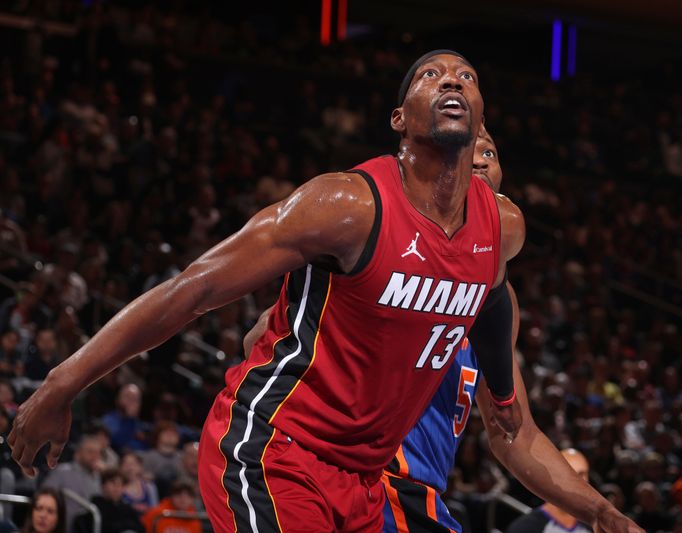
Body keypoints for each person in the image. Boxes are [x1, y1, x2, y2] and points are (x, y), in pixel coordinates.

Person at [12, 49, 524, 532]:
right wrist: (62, 384)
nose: (453, 78)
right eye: (430, 75)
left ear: (480, 122)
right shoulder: (346, 205)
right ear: (398, 120)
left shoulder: (500, 226)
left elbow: (494, 303)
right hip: (274, 449)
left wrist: (501, 390)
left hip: (362, 480)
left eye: (467, 76)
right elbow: (193, 289)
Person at [241, 128, 643, 533]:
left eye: (491, 152)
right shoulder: (384, 245)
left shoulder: (498, 300)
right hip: (361, 480)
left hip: (419, 497)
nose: (481, 159)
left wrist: (602, 513)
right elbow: (260, 340)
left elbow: (513, 435)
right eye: (470, 151)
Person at [505, 449, 594, 533]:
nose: (581, 482)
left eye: (583, 475)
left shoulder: (594, 525)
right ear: (554, 478)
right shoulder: (524, 528)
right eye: (572, 474)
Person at [41, 435, 102, 532]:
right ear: (78, 453)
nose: (95, 457)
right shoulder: (63, 471)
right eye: (90, 452)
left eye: (98, 453)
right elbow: (45, 495)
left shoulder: (99, 477)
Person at [73, 468, 144, 533]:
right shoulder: (94, 508)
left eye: (121, 484)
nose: (117, 487)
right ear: (103, 486)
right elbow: (103, 528)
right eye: (113, 483)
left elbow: (141, 528)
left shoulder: (127, 508)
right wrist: (127, 526)